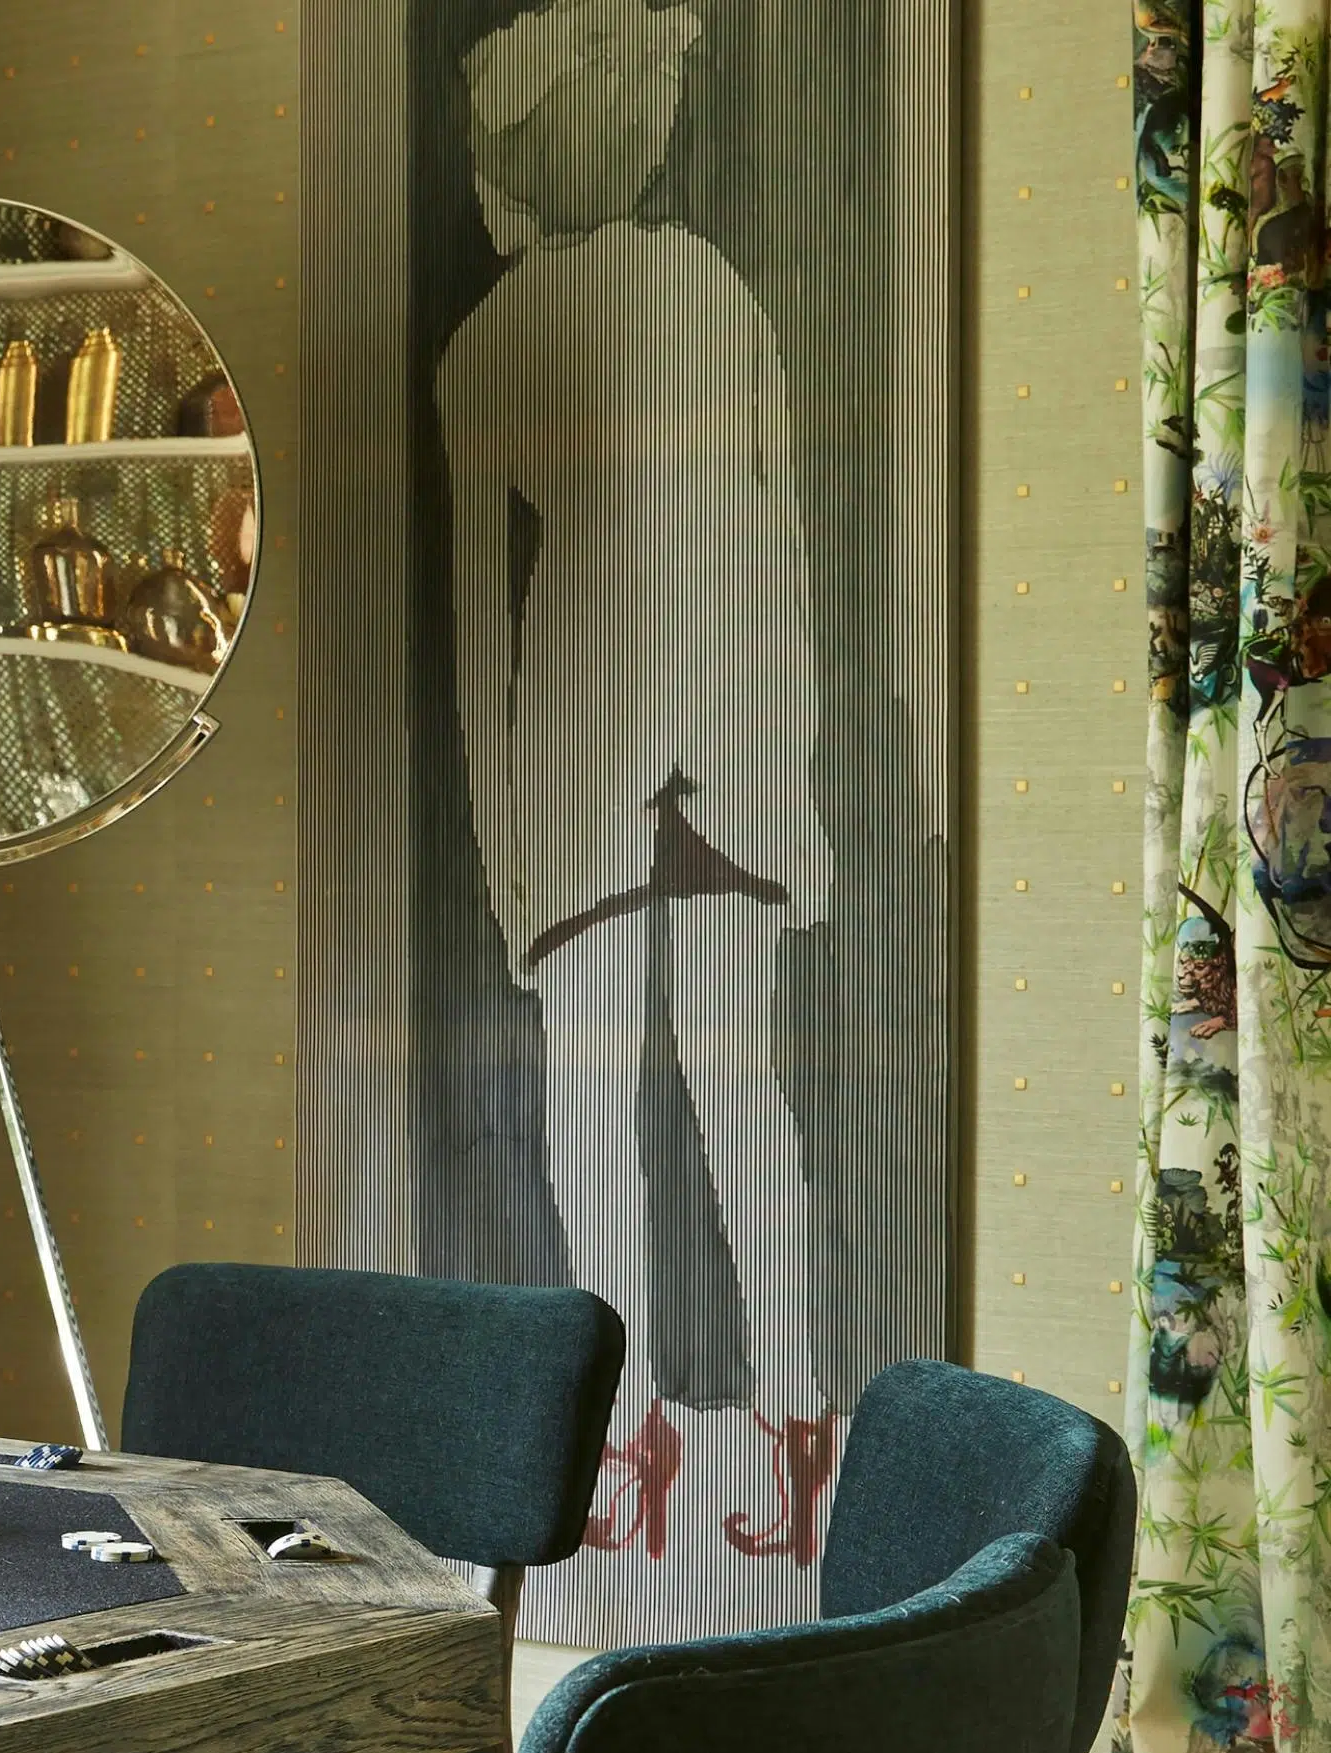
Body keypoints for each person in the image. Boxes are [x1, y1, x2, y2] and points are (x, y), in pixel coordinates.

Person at [439, 0, 837, 1564]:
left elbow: (492, 640)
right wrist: (786, 764)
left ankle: (683, 1435)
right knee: (698, 1098)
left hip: (622, 756)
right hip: (679, 745)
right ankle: (731, 1431)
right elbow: (775, 549)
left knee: (628, 1106)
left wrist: (506, 848)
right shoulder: (689, 293)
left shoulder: (521, 336)